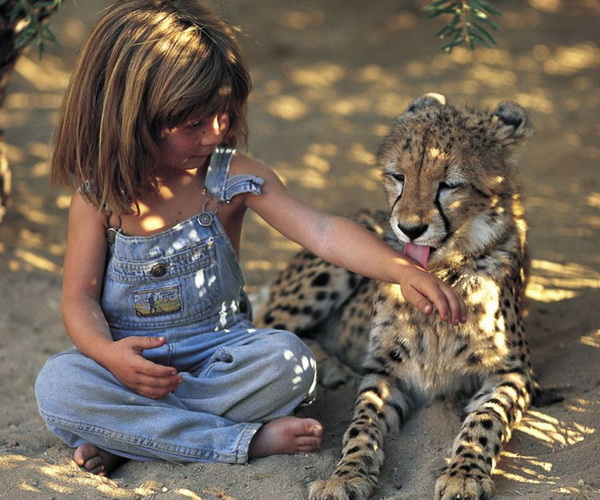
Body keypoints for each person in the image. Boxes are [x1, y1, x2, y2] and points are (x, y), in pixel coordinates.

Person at [35, 0, 467, 477]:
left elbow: (322, 231)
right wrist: (107, 355)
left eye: (222, 116)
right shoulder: (97, 200)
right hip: (127, 370)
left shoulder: (233, 178)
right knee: (59, 384)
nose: (214, 134)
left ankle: (136, 437)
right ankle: (241, 440)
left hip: (221, 359)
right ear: (128, 117)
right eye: (194, 123)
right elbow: (78, 297)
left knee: (290, 364)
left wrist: (398, 268)